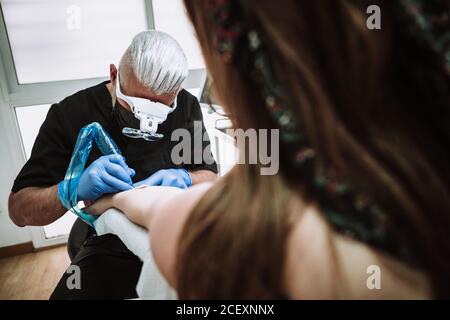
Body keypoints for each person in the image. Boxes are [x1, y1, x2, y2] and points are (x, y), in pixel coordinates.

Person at [89, 0, 450, 299]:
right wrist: (71, 191)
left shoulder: (243, 230)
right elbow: (29, 204)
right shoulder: (72, 112)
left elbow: (169, 197)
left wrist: (116, 198)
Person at [8, 30, 217, 299]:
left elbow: (210, 177)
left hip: (181, 231)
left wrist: (184, 177)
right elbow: (19, 210)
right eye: (134, 106)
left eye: (159, 111)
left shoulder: (185, 105)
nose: (145, 125)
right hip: (109, 243)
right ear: (114, 75)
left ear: (174, 95)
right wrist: (71, 189)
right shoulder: (70, 114)